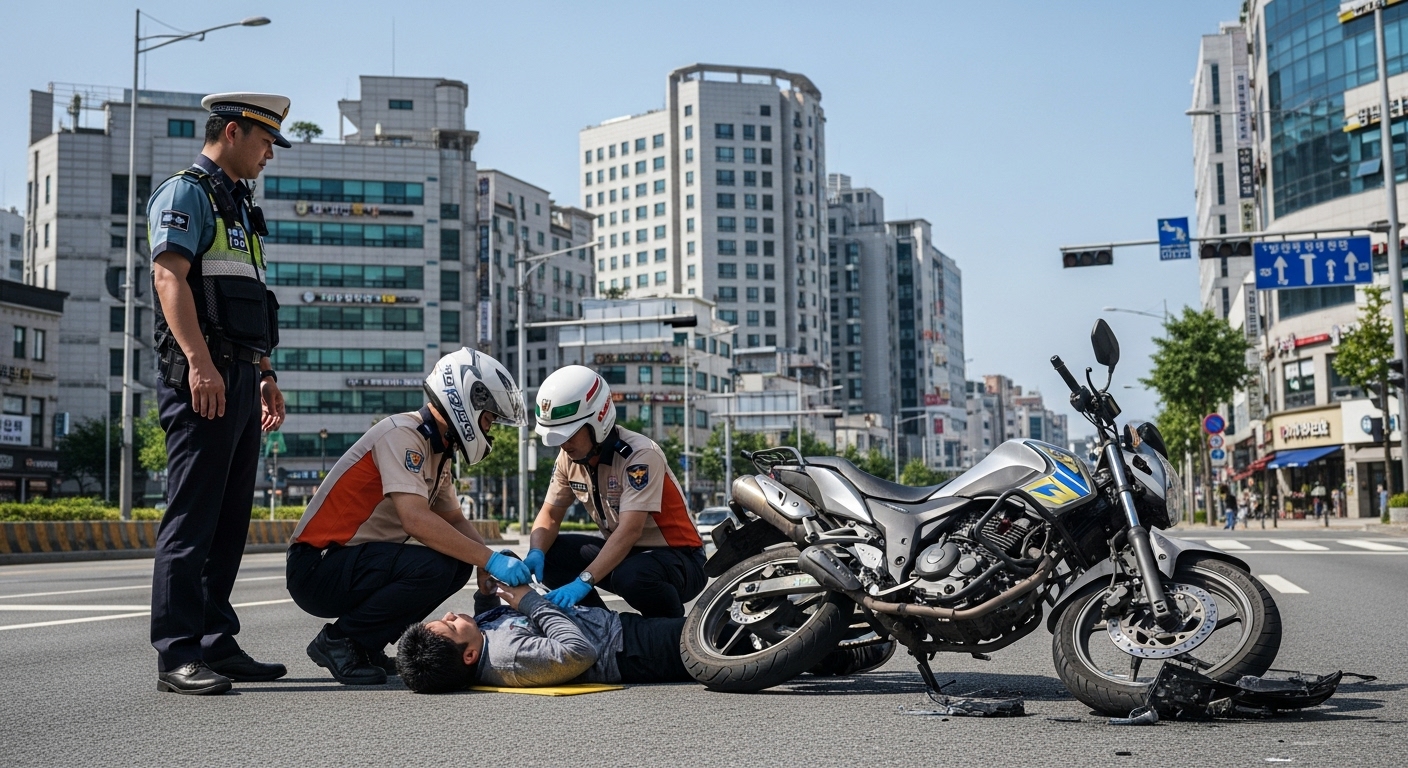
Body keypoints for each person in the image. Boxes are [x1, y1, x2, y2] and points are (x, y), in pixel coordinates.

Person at [148, 93, 292, 695]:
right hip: (203, 376)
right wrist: (199, 363)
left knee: (229, 521)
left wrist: (265, 373)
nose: (269, 154)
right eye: (265, 142)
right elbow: (168, 277)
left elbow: (250, 298)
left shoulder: (239, 205)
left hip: (240, 375)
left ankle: (214, 641)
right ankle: (177, 654)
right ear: (233, 132)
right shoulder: (186, 193)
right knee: (192, 518)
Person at [285, 349, 533, 685]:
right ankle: (341, 641)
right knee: (435, 566)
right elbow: (415, 520)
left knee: (457, 563)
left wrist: (486, 562)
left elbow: (453, 520)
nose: (489, 429)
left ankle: (365, 643)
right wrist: (490, 560)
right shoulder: (403, 435)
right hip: (318, 566)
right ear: (467, 403)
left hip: (349, 563)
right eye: (488, 418)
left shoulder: (437, 449)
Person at [520, 365, 706, 618]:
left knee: (633, 575)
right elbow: (551, 515)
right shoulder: (568, 457)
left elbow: (630, 531)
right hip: (626, 553)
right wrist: (535, 552)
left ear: (598, 421)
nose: (563, 444)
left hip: (680, 558)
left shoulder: (640, 455)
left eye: (569, 434)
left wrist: (584, 581)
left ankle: (671, 629)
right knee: (552, 552)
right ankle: (598, 625)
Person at [395, 578, 693, 693]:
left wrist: (486, 594)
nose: (449, 615)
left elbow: (492, 624)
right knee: (707, 634)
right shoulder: (509, 657)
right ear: (469, 656)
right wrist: (530, 602)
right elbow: (579, 652)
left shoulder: (480, 643)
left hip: (615, 629)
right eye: (450, 625)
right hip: (629, 650)